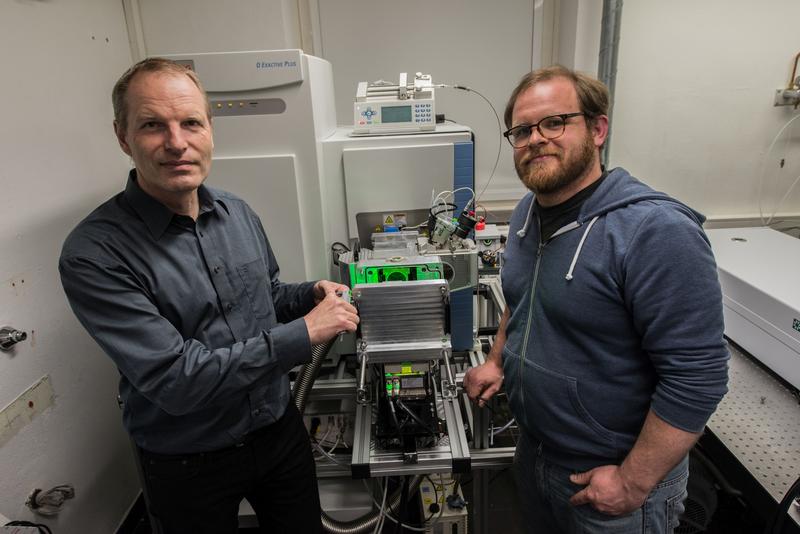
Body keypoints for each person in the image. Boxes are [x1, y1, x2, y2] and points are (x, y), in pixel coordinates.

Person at [59, 57, 359, 534]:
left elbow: (268, 297)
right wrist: (306, 332)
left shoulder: (236, 212)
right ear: (123, 136)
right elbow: (177, 379)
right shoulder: (94, 253)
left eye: (190, 123)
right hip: (186, 459)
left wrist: (309, 294)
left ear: (210, 130)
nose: (176, 143)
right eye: (153, 125)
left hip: (277, 431)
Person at [463, 65, 729, 533]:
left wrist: (632, 482)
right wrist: (497, 361)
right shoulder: (530, 211)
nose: (536, 139)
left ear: (597, 128)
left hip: (609, 483)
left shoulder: (653, 231)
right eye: (522, 130)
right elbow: (523, 299)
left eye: (554, 122)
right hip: (537, 456)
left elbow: (698, 378)